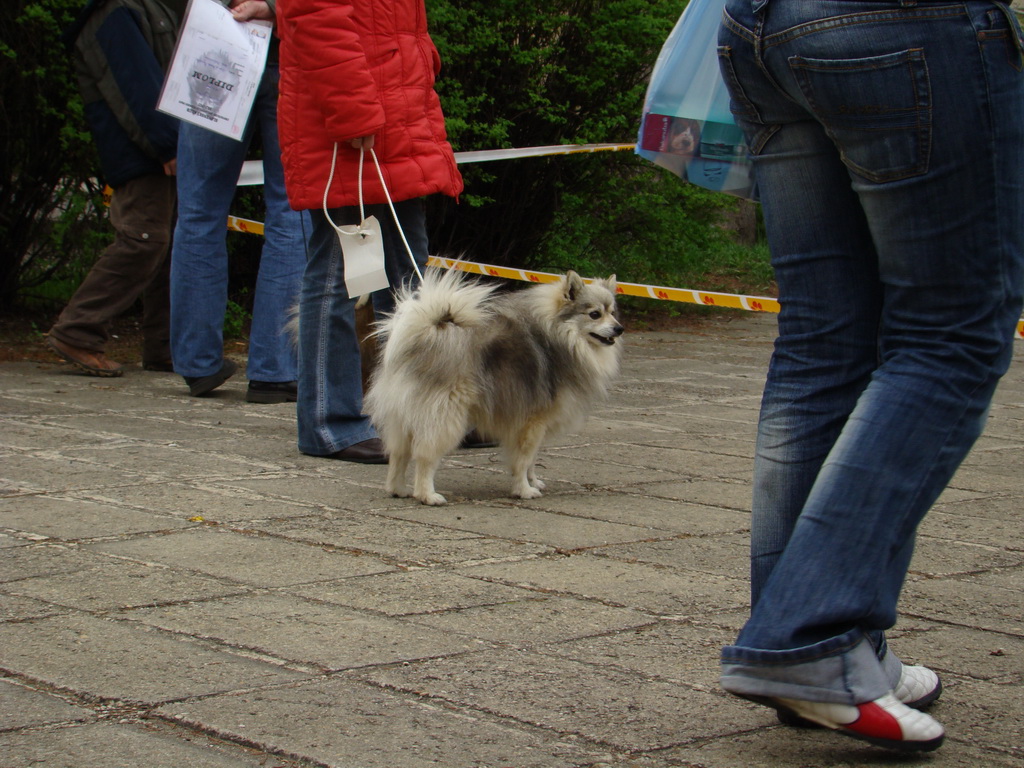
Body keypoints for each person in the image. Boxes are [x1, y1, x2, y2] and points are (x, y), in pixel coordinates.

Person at [715, 0, 1024, 753]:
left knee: (823, 341)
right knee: (951, 338)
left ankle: (811, 647)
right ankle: (810, 637)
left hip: (760, 27)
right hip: (907, 25)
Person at [276, 0, 464, 462]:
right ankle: (330, 422)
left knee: (408, 274)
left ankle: (422, 413)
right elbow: (316, 18)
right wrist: (353, 110)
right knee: (337, 273)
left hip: (395, 117)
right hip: (354, 124)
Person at [169, 0, 307, 401]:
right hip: (287, 52)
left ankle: (198, 364)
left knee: (198, 212)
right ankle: (274, 368)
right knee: (291, 210)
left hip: (214, 41)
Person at [46, 0, 181, 377]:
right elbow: (132, 85)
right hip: (142, 150)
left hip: (157, 144)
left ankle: (166, 347)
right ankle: (78, 330)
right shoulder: (116, 12)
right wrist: (165, 145)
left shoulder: (150, 7)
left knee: (168, 242)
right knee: (145, 239)